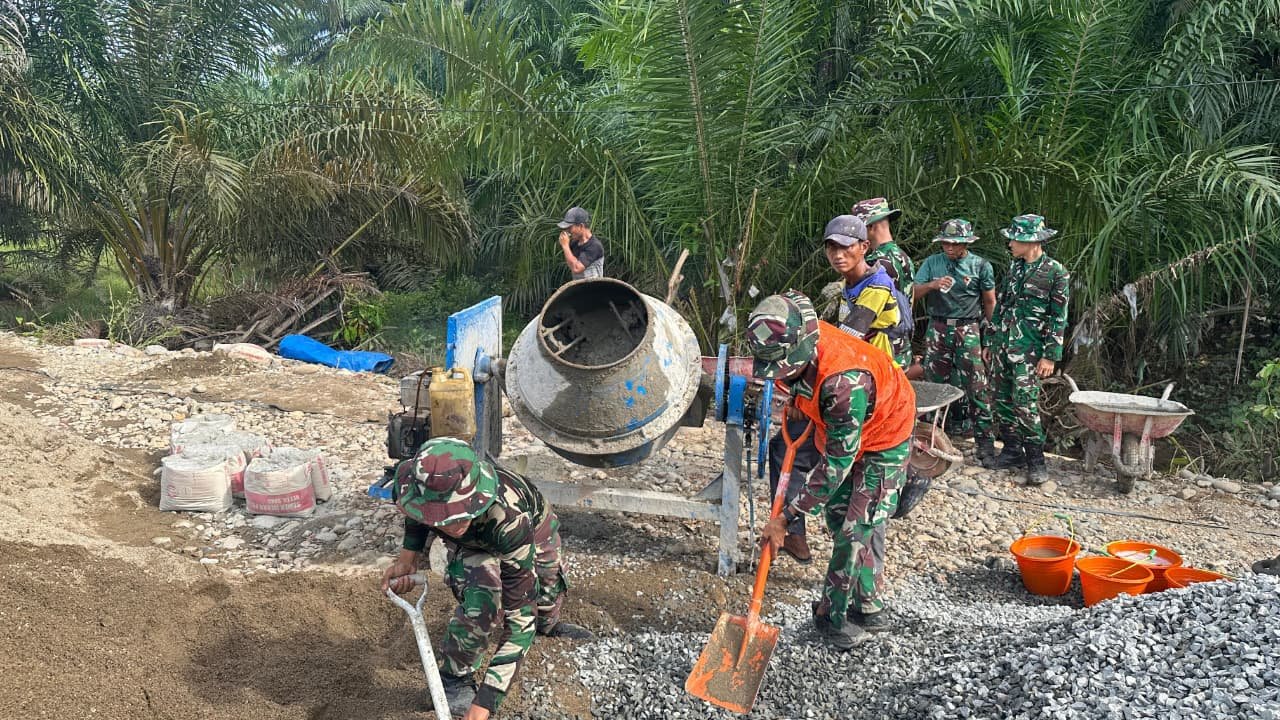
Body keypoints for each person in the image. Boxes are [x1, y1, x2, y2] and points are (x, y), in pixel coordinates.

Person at [747, 290, 916, 650]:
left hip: (886, 434)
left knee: (856, 528)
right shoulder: (791, 331)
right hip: (837, 429)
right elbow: (791, 370)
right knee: (839, 520)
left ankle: (831, 618)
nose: (779, 375)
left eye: (785, 369)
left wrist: (787, 517)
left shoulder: (843, 384)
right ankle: (869, 606)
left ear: (804, 348)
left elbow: (836, 467)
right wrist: (797, 397)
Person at [381, 438, 593, 719]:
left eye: (457, 514)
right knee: (484, 600)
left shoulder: (509, 519)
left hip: (531, 528)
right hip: (473, 545)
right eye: (440, 517)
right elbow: (416, 514)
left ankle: (548, 623)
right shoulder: (410, 482)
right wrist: (408, 556)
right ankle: (454, 679)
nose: (450, 524)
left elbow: (520, 623)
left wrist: (483, 706)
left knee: (543, 591)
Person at [981, 214, 1071, 485]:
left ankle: (1036, 460)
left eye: (1015, 238)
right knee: (1002, 399)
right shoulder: (1015, 268)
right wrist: (990, 340)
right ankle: (1011, 451)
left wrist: (1050, 356)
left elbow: (1059, 317)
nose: (1009, 243)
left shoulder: (1056, 272)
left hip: (1030, 350)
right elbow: (1002, 306)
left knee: (1025, 403)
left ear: (1031, 241)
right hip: (1003, 345)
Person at [913, 218, 998, 467]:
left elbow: (990, 302)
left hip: (968, 328)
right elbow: (912, 293)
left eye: (955, 244)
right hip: (938, 328)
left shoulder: (981, 266)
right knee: (933, 386)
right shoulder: (932, 263)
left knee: (977, 385)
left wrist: (991, 338)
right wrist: (932, 285)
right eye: (945, 243)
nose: (949, 248)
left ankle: (985, 445)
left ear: (966, 243)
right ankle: (930, 440)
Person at [818, 214, 909, 367]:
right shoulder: (850, 282)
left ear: (864, 247)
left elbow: (848, 336)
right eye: (832, 247)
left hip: (879, 368)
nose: (838, 255)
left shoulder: (877, 285)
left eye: (846, 246)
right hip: (862, 360)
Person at [556, 206, 605, 279]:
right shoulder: (574, 243)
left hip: (594, 287)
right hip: (579, 288)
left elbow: (576, 268)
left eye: (570, 228)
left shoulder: (594, 246)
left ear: (581, 226)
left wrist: (565, 246)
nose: (567, 231)